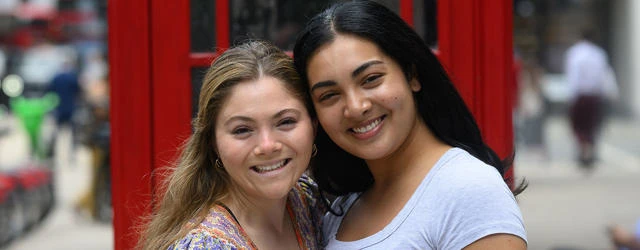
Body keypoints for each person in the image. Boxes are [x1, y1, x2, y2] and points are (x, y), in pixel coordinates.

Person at [293, 1, 527, 249]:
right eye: (329, 95)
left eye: (371, 79)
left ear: (412, 75)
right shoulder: (343, 206)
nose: (355, 106)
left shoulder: (470, 190)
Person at [138, 41, 325, 249]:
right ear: (213, 143)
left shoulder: (307, 198)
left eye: (285, 122)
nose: (267, 145)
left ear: (313, 125)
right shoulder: (205, 246)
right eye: (242, 130)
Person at [564, 29, 619, 167]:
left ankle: (583, 152)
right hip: (595, 95)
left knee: (580, 126)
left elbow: (573, 76)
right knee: (592, 125)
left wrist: (571, 96)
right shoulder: (599, 54)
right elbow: (605, 74)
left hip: (580, 95)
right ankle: (589, 152)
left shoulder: (575, 53)